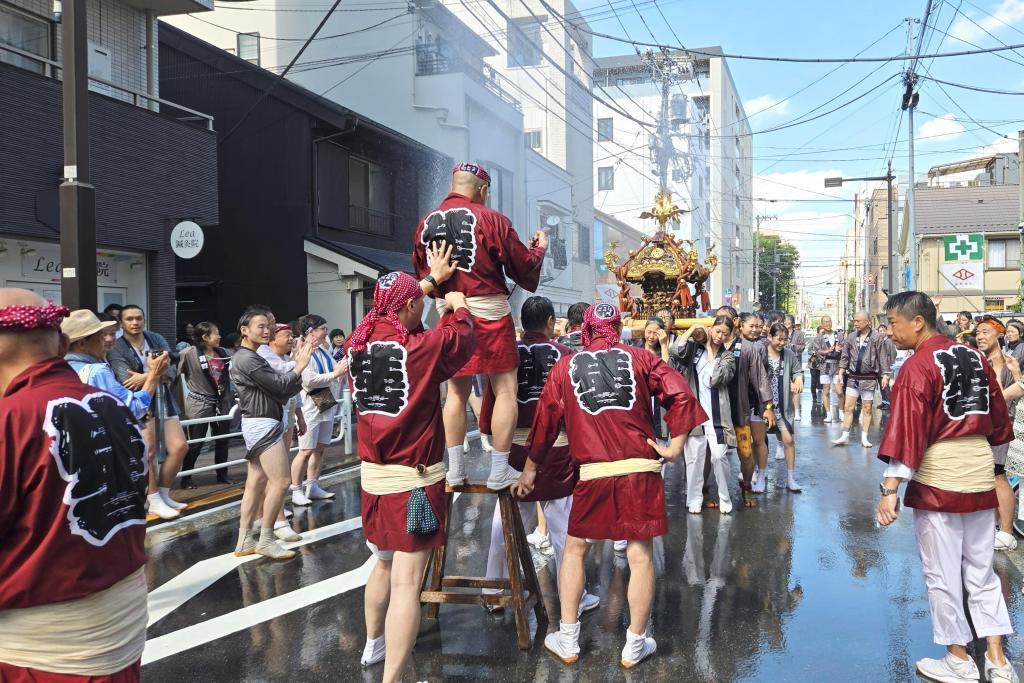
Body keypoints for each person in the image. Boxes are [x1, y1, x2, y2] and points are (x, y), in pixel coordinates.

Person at [514, 303, 707, 669]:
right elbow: (681, 394)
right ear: (617, 328)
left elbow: (544, 422)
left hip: (593, 472)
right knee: (639, 556)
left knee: (574, 550)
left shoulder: (565, 367)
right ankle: (634, 644)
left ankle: (568, 638)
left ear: (586, 328)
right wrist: (675, 448)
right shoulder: (641, 358)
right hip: (640, 469)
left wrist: (528, 470)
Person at [0, 290, 149, 681]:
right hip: (122, 630)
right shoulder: (112, 404)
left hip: (39, 655)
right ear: (63, 344)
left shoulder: (9, 419)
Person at [876, 292, 1017, 683]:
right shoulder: (974, 356)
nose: (890, 332)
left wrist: (890, 489)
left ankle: (958, 657)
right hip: (977, 470)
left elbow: (908, 432)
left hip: (940, 474)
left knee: (941, 573)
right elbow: (1000, 421)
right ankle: (998, 660)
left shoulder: (918, 365)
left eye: (893, 323)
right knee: (981, 571)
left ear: (917, 322)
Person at [346, 262, 474, 683]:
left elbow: (385, 312)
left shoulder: (356, 345)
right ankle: (393, 678)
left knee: (381, 565)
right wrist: (455, 307)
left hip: (373, 481)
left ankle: (373, 644)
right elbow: (462, 340)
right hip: (413, 481)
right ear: (410, 306)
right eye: (418, 303)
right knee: (406, 583)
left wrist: (427, 282)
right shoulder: (422, 348)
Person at [412, 162, 547, 490]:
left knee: (455, 394)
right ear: (483, 190)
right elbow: (523, 266)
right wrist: (539, 247)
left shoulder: (425, 224)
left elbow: (420, 273)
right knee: (504, 389)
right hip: (490, 314)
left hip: (449, 313)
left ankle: (454, 469)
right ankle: (499, 469)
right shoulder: (493, 219)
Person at [478, 296, 599, 614]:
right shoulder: (564, 355)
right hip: (555, 448)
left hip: (514, 447)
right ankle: (574, 593)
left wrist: (490, 435)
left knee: (503, 522)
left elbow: (493, 403)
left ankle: (494, 589)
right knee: (562, 526)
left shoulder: (508, 354)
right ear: (549, 323)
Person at [231, 307, 313, 560]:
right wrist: (299, 366)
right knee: (281, 481)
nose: (267, 331)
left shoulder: (249, 356)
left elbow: (281, 390)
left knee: (255, 482)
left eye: (269, 326)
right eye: (261, 326)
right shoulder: (248, 358)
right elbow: (281, 385)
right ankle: (266, 538)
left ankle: (245, 539)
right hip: (262, 424)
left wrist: (293, 373)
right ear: (244, 330)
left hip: (260, 422)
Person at [108, 305, 189, 519]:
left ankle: (163, 493)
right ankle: (153, 499)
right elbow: (126, 379)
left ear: (144, 319)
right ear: (122, 323)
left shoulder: (155, 338)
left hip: (164, 398)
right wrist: (155, 372)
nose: (135, 323)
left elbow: (170, 367)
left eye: (138, 318)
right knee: (148, 452)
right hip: (138, 402)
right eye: (129, 319)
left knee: (180, 446)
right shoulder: (116, 346)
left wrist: (146, 375)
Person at [676, 316, 736, 514]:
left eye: (725, 334)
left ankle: (725, 495)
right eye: (717, 331)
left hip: (717, 415)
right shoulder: (694, 348)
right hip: (694, 413)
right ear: (711, 329)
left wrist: (710, 349)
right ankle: (694, 497)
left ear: (729, 336)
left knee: (719, 456)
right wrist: (693, 327)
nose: (720, 336)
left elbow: (716, 378)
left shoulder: (727, 356)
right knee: (694, 458)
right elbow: (676, 351)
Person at [62, 309, 167, 423]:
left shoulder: (61, 368)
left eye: (112, 334)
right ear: (82, 344)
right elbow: (132, 409)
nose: (106, 340)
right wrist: (154, 374)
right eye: (101, 337)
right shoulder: (97, 372)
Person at [290, 314, 348, 506]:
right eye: (322, 328)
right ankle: (296, 489)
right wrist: (335, 373)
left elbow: (333, 374)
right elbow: (308, 380)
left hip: (324, 402)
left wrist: (340, 370)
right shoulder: (302, 351)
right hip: (309, 406)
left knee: (320, 449)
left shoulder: (323, 351)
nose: (326, 331)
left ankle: (312, 485)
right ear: (311, 331)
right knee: (305, 450)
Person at [975, 317, 1019, 553]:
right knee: (986, 476)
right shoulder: (978, 359)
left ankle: (1007, 532)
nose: (980, 336)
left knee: (997, 474)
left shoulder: (1007, 361)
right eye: (978, 333)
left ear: (998, 334)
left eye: (985, 332)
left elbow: (1004, 396)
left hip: (1001, 425)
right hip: (981, 424)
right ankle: (991, 528)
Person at [178, 322, 235, 488]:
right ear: (204, 337)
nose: (219, 336)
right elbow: (173, 375)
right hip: (199, 403)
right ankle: (186, 477)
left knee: (222, 440)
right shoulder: (188, 353)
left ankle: (222, 474)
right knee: (196, 442)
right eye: (216, 333)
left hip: (222, 403)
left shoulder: (223, 352)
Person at [832, 311, 893, 449]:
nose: (856, 323)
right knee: (848, 407)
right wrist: (841, 372)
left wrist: (885, 375)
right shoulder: (852, 337)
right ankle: (845, 435)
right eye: (854, 321)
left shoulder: (876, 337)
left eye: (858, 321)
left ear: (867, 322)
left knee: (867, 408)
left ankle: (864, 436)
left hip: (869, 378)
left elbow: (883, 357)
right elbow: (845, 356)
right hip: (853, 377)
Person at [738, 313, 778, 494]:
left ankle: (761, 474)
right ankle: (747, 471)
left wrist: (768, 405)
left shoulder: (760, 345)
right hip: (737, 400)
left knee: (759, 440)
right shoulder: (732, 343)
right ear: (740, 326)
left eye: (757, 326)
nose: (755, 330)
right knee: (743, 442)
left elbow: (761, 378)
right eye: (751, 326)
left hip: (756, 400)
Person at [765, 323, 803, 492]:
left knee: (789, 440)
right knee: (759, 442)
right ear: (770, 337)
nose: (781, 343)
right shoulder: (761, 353)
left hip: (782, 406)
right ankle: (758, 474)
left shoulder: (788, 355)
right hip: (763, 406)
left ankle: (790, 477)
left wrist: (799, 379)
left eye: (784, 340)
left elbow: (797, 371)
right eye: (778, 339)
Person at [809, 316, 843, 422]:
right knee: (826, 390)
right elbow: (817, 351)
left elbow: (845, 347)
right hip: (825, 366)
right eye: (825, 322)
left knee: (839, 391)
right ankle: (828, 413)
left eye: (829, 321)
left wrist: (840, 349)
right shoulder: (818, 337)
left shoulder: (839, 335)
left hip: (837, 365)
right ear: (822, 324)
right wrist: (828, 351)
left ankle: (841, 411)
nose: (828, 324)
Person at [786, 315, 806, 421]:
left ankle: (797, 411)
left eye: (788, 321)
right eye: (785, 321)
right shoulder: (781, 331)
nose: (786, 322)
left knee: (796, 388)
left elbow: (802, 347)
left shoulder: (799, 334)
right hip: (783, 362)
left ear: (793, 323)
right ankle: (787, 410)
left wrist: (793, 346)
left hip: (796, 362)